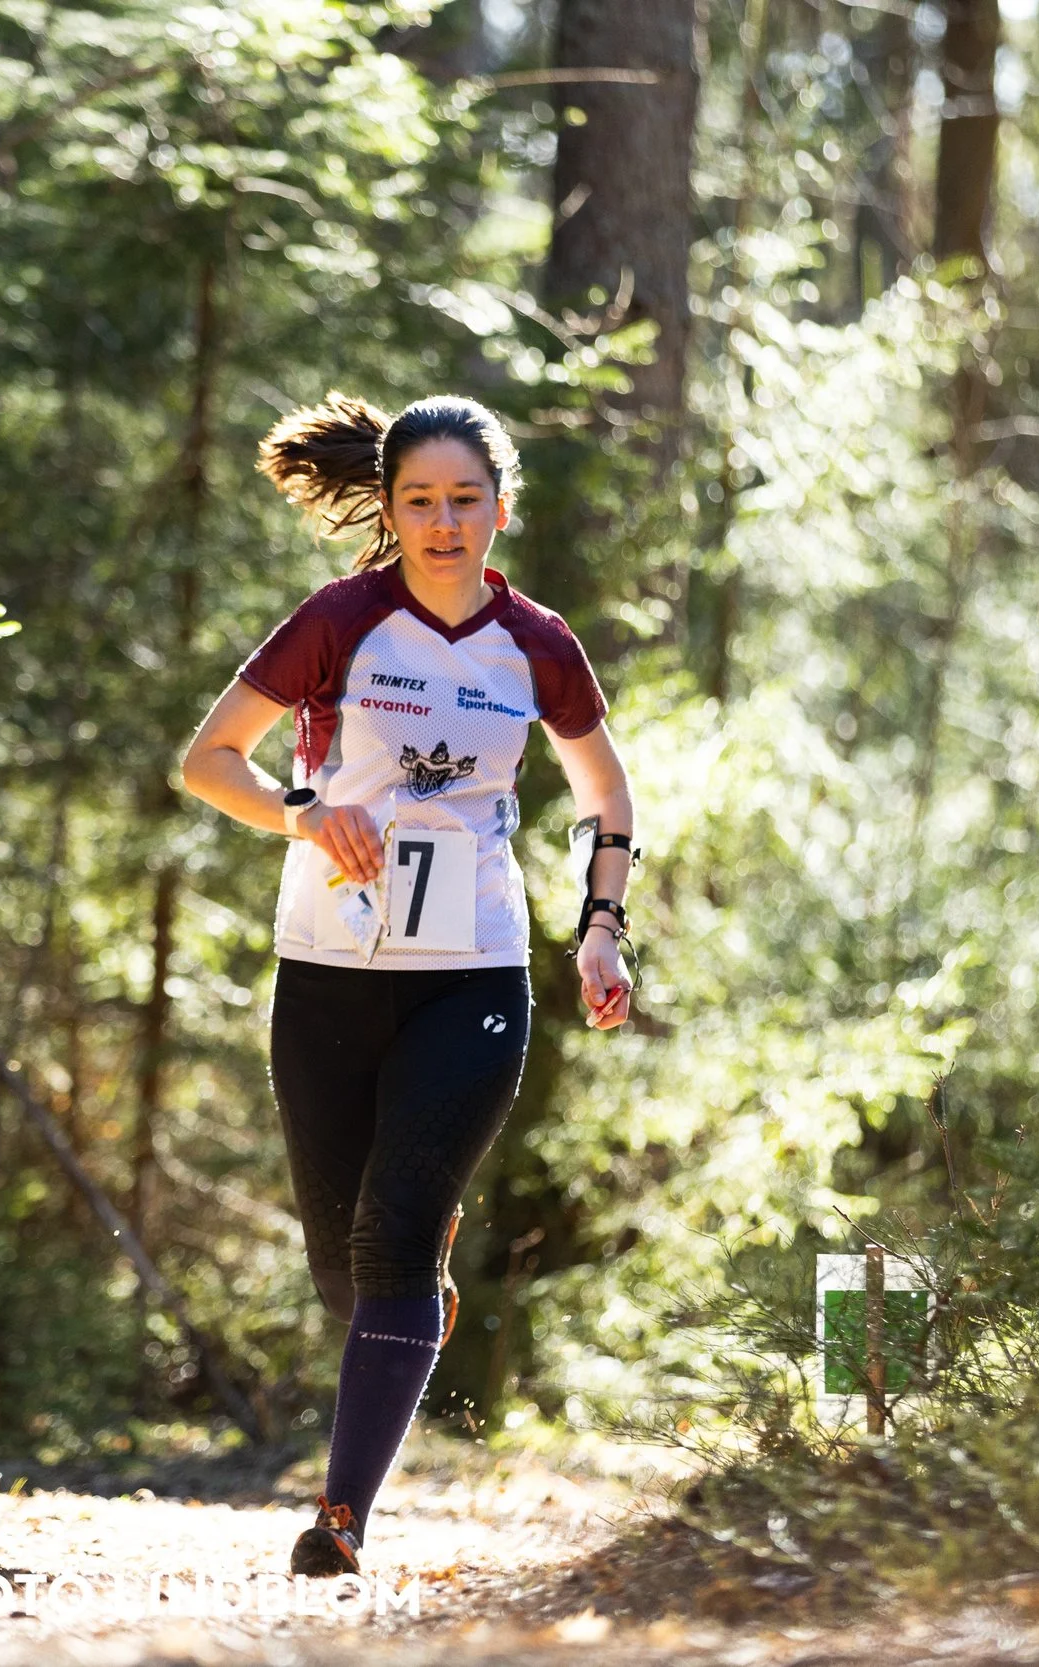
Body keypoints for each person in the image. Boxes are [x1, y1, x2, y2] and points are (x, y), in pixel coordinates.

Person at [178, 392, 636, 1578]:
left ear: (500, 508)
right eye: (421, 501)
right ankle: (411, 1291)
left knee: (391, 1236)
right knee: (347, 1268)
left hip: (472, 972)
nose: (444, 524)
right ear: (389, 508)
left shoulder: (536, 642)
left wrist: (600, 928)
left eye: (464, 500)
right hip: (326, 970)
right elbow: (207, 760)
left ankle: (340, 1518)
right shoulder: (339, 621)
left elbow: (605, 793)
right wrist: (302, 810)